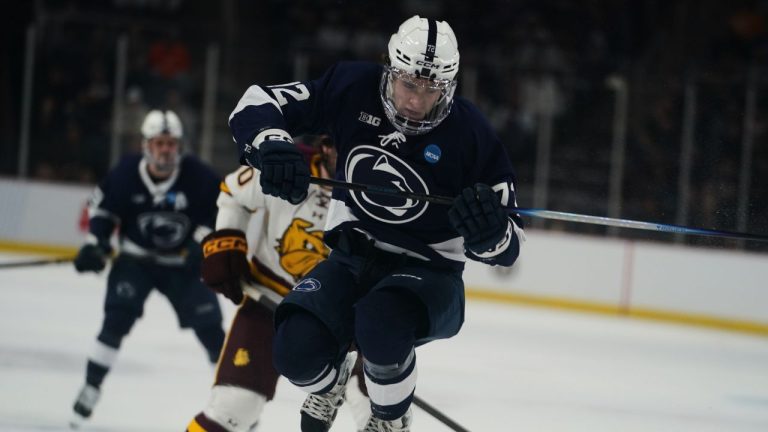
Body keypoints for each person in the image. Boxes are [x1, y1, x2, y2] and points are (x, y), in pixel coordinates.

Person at [229, 15, 525, 432]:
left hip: (429, 273)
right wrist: (270, 142)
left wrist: (491, 235)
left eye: (430, 89)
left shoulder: (472, 135)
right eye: (408, 84)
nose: (415, 102)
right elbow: (257, 100)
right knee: (295, 349)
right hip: (352, 258)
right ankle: (330, 386)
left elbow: (510, 244)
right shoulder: (352, 87)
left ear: (450, 86)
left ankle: (389, 418)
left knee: (380, 323)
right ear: (390, 69)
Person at [186, 135, 371, 432]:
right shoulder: (288, 165)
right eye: (343, 145)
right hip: (268, 302)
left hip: (342, 320)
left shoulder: (381, 185)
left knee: (373, 414)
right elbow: (233, 192)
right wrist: (227, 241)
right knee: (233, 406)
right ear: (325, 145)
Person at [70, 109, 226, 427]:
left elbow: (226, 210)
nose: (165, 149)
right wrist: (95, 243)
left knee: (212, 330)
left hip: (182, 265)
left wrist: (202, 241)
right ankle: (91, 386)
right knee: (116, 319)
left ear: (180, 146)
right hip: (135, 261)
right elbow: (102, 210)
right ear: (146, 145)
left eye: (171, 143)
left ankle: (231, 401)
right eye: (159, 143)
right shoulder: (126, 172)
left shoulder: (199, 176)